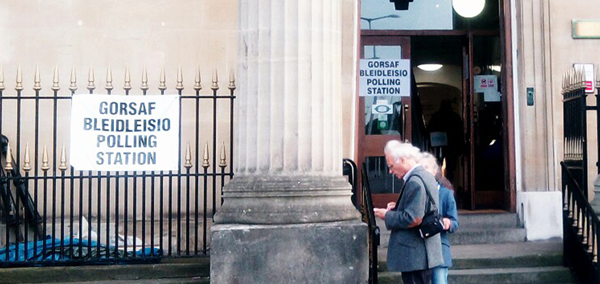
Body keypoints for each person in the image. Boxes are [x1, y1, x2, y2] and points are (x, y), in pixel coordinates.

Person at [374, 141, 443, 284]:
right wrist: (398, 207)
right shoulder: (426, 175)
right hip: (423, 252)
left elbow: (413, 218)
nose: (390, 171)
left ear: (403, 160)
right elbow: (422, 208)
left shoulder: (414, 182)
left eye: (391, 166)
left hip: (415, 255)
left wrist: (386, 215)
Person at [419, 153, 460, 284]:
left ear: (435, 171)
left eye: (426, 167)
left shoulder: (446, 194)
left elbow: (454, 222)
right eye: (420, 168)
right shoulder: (415, 192)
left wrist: (448, 223)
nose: (423, 171)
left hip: (440, 249)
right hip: (420, 249)